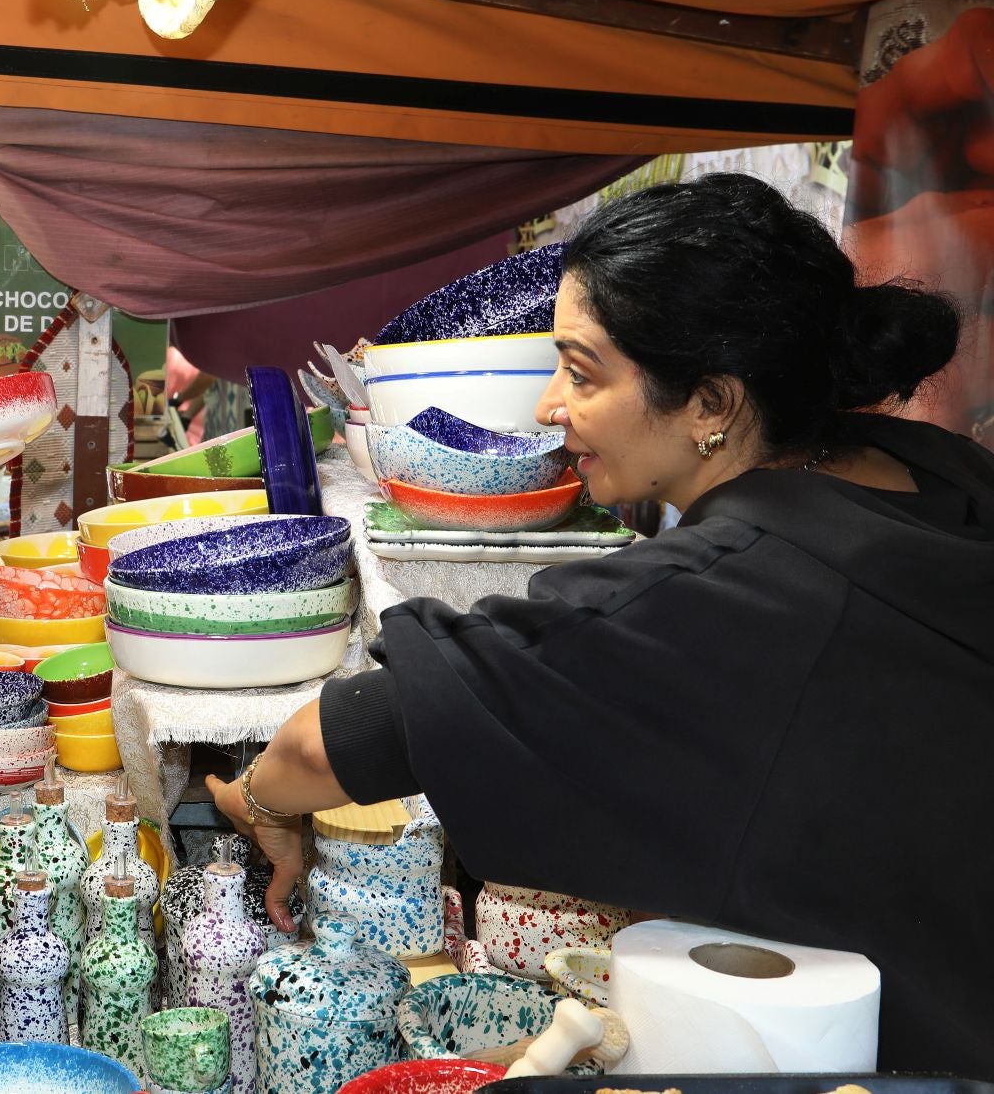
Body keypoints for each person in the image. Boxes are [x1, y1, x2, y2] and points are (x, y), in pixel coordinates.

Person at [207, 174, 990, 1073]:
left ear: (712, 404)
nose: (548, 405)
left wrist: (251, 801)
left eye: (581, 372)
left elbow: (330, 742)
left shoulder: (730, 588)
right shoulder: (943, 472)